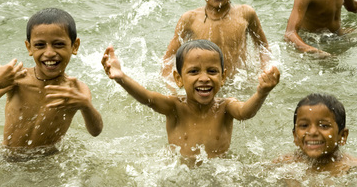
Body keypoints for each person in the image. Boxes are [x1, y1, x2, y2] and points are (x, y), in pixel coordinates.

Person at [102, 39, 280, 166]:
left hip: (218, 173)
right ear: (178, 79)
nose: (204, 78)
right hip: (179, 172)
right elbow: (148, 98)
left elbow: (245, 112)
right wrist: (121, 77)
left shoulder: (226, 106)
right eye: (194, 72)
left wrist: (261, 92)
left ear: (223, 77)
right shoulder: (175, 107)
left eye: (212, 71)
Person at [0, 8, 103, 160]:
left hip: (48, 162)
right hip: (8, 158)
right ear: (29, 47)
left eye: (58, 44)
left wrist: (86, 106)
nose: (49, 53)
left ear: (74, 46)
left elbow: (95, 131)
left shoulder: (75, 90)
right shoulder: (17, 79)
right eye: (40, 45)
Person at [162, 0, 270, 82]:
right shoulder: (190, 19)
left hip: (238, 83)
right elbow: (169, 58)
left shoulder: (246, 13)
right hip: (205, 83)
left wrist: (266, 70)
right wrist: (172, 87)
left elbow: (263, 47)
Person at [277, 93, 357, 176]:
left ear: (342, 136)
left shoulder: (355, 170)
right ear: (295, 136)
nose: (312, 132)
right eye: (304, 125)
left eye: (324, 126)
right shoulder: (285, 165)